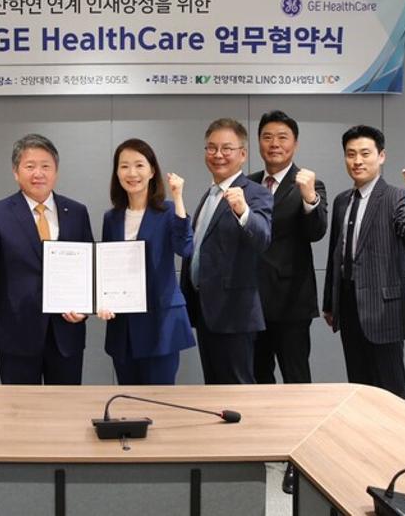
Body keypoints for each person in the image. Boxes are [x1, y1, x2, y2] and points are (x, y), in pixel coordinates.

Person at [0, 133, 93, 385]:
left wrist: (85, 308)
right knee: (21, 407)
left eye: (46, 166)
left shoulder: (77, 212)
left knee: (67, 404)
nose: (38, 173)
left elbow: (88, 267)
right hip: (16, 332)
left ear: (56, 171)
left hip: (66, 331)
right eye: (30, 166)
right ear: (16, 172)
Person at [248, 110, 327, 494]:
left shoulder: (308, 183)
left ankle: (301, 457)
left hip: (291, 302)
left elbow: (316, 232)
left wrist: (310, 197)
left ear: (294, 143)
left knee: (296, 381)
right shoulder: (247, 183)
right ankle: (265, 444)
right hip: (251, 301)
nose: (274, 144)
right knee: (258, 378)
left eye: (282, 137)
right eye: (267, 137)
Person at [322, 125, 405, 400]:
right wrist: (330, 302)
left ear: (381, 156)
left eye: (365, 153)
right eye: (350, 154)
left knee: (390, 388)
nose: (357, 161)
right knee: (358, 386)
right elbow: (336, 254)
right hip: (348, 305)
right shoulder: (342, 201)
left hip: (385, 308)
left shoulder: (398, 196)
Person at [180, 118, 273, 384]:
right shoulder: (210, 194)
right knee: (214, 389)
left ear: (242, 154)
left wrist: (244, 211)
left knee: (238, 390)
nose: (218, 154)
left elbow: (263, 238)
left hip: (234, 315)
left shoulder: (255, 193)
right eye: (211, 148)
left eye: (227, 148)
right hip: (206, 310)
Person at [96, 138, 196, 385]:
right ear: (117, 173)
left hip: (161, 322)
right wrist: (103, 299)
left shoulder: (169, 211)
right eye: (124, 166)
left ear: (152, 171)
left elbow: (185, 248)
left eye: (139, 165)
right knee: (127, 398)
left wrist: (178, 197)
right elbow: (107, 267)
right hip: (123, 327)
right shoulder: (111, 218)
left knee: (159, 398)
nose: (132, 173)